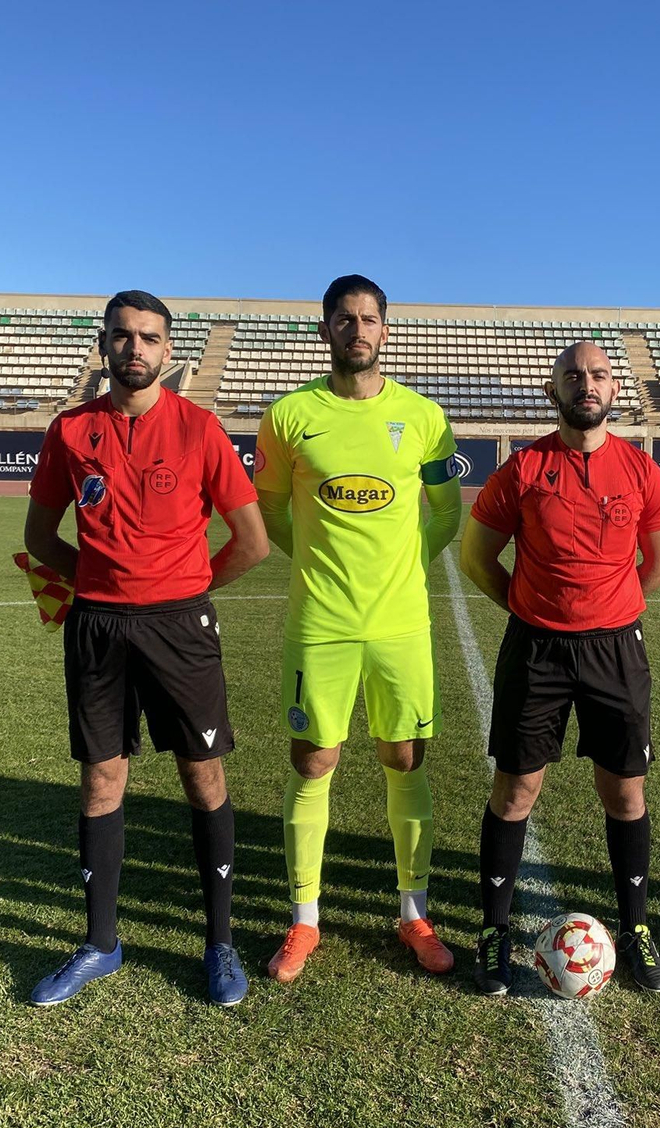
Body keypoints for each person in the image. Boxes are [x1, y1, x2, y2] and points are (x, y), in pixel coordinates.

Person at [23, 290, 270, 1006]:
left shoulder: (200, 429)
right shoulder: (70, 432)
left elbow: (251, 541)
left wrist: (184, 590)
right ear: (104, 344)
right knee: (102, 779)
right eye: (123, 336)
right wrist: (103, 584)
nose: (135, 348)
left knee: (204, 777)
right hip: (98, 627)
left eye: (150, 338)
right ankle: (101, 944)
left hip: (179, 627)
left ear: (169, 352)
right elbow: (41, 539)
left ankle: (219, 942)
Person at [253, 274, 463, 983]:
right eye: (344, 320)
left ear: (385, 330)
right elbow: (274, 514)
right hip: (321, 622)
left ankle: (414, 914)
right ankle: (304, 921)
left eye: (369, 319)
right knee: (313, 760)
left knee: (404, 759)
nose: (358, 330)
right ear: (325, 332)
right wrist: (321, 562)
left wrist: (402, 566)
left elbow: (446, 514)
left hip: (401, 624)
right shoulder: (288, 417)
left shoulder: (426, 417)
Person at [460, 341, 660, 995]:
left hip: (616, 650)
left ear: (615, 390)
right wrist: (530, 610)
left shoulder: (641, 472)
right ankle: (496, 932)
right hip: (536, 650)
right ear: (552, 392)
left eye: (599, 375)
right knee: (515, 791)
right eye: (573, 376)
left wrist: (608, 612)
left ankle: (636, 930)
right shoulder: (524, 468)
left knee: (626, 793)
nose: (587, 384)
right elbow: (478, 557)